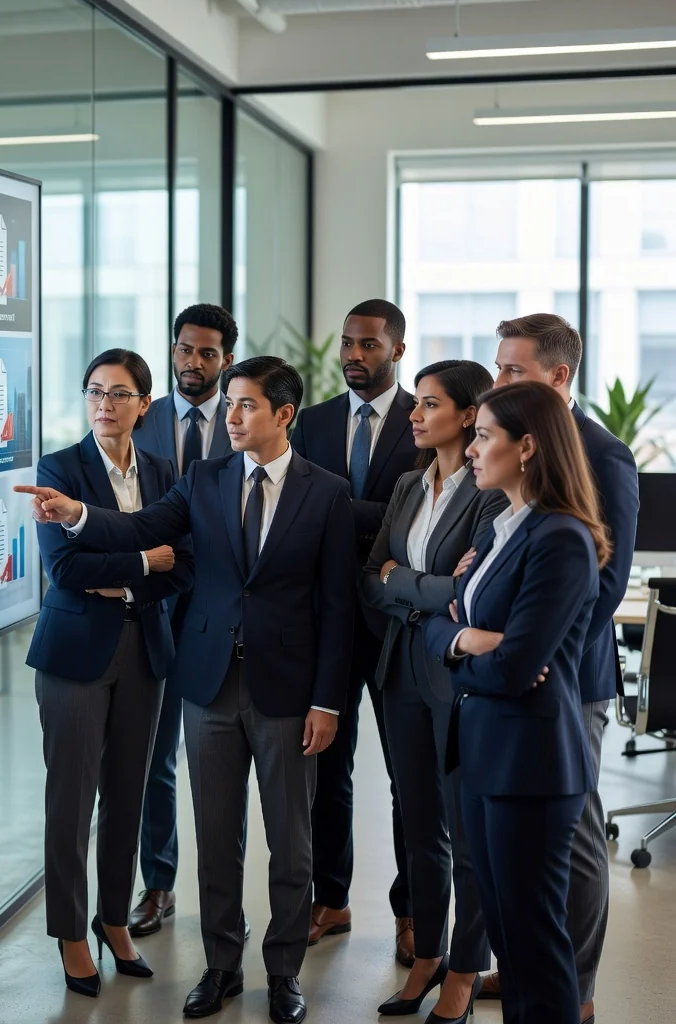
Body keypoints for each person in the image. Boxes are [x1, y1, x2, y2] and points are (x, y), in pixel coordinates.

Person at [18, 356, 356, 1024]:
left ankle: (284, 971)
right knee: (217, 838)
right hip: (208, 684)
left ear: (284, 415)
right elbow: (142, 530)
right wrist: (79, 513)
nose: (228, 416)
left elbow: (337, 605)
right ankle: (222, 965)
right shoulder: (203, 478)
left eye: (245, 406)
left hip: (289, 691)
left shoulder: (326, 492)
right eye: (228, 404)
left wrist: (328, 701)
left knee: (290, 843)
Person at [425, 381, 611, 1024]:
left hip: (530, 764)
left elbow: (516, 667)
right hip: (485, 753)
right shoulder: (505, 528)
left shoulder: (560, 537)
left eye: (483, 436)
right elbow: (441, 623)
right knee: (507, 936)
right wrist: (465, 639)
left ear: (527, 446)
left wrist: (462, 645)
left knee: (534, 947)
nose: (469, 449)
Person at [477, 315, 639, 1024]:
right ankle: (532, 972)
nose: (498, 380)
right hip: (524, 662)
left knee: (569, 841)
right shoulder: (513, 470)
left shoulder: (604, 454)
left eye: (511, 371)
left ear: (558, 376)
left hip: (567, 675)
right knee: (527, 859)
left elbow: (606, 583)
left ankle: (573, 988)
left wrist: (537, 648)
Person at [25, 348, 194, 998]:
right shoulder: (57, 468)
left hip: (145, 651)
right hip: (73, 658)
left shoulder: (162, 471)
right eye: (95, 391)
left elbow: (184, 565)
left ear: (144, 405)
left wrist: (127, 569)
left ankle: (114, 919)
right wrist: (144, 562)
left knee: (129, 794)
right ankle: (71, 933)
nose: (104, 404)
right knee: (70, 802)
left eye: (120, 393)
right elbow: (65, 571)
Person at [360, 360, 507, 1024]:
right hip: (400, 673)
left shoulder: (490, 494)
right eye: (415, 404)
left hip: (456, 681)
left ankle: (464, 970)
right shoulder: (408, 485)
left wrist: (406, 582)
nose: (414, 416)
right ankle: (425, 955)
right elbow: (371, 575)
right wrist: (423, 589)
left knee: (467, 834)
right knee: (417, 824)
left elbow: (468, 595)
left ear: (470, 414)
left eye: (428, 404)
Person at [290, 298, 417, 962]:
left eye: (368, 345)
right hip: (327, 623)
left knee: (407, 776)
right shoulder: (310, 423)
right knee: (327, 770)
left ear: (396, 349)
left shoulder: (424, 420)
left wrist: (337, 505)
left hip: (397, 624)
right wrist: (366, 513)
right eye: (347, 344)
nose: (353, 356)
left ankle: (413, 912)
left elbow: (416, 517)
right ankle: (330, 899)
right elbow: (295, 508)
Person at [129, 303, 236, 938]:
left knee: (226, 761)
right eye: (183, 350)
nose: (191, 363)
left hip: (221, 613)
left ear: (226, 358)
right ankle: (159, 884)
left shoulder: (246, 416)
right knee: (154, 756)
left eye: (205, 353)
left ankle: (227, 904)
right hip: (151, 606)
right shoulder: (143, 416)